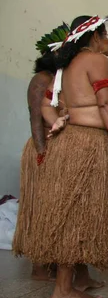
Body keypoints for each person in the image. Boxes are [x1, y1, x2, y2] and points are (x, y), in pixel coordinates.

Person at [21, 12, 108, 298]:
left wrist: (57, 120)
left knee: (74, 210)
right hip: (87, 144)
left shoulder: (65, 65)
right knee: (76, 214)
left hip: (69, 141)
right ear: (95, 35)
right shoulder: (96, 60)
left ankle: (78, 279)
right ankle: (63, 290)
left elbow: (46, 103)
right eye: (106, 35)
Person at [12, 23, 70, 281]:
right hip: (42, 148)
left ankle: (57, 262)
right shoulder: (41, 80)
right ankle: (39, 266)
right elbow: (36, 118)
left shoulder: (59, 80)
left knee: (56, 209)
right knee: (41, 207)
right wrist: (40, 152)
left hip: (57, 148)